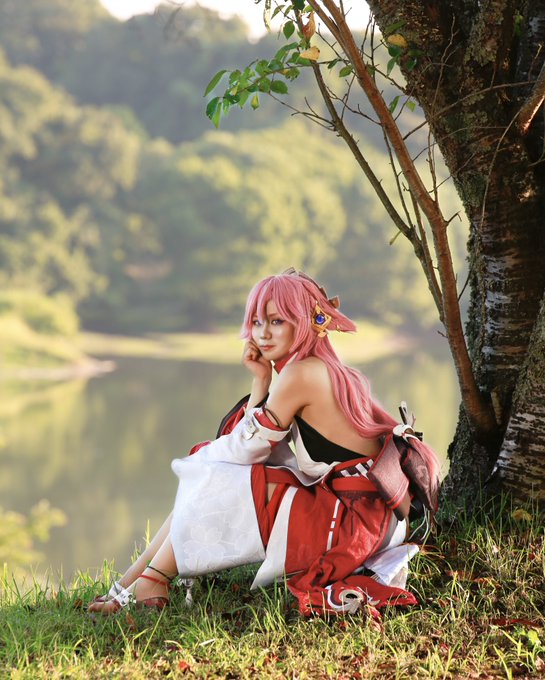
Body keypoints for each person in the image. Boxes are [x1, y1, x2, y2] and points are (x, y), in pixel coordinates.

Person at [88, 268, 440, 617]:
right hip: (374, 521)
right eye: (256, 322)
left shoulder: (301, 374)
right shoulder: (325, 369)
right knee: (213, 472)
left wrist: (197, 461)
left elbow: (247, 449)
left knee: (214, 471)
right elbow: (259, 447)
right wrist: (261, 382)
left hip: (353, 527)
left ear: (306, 322)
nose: (262, 333)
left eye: (276, 321)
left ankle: (149, 581)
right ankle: (129, 586)